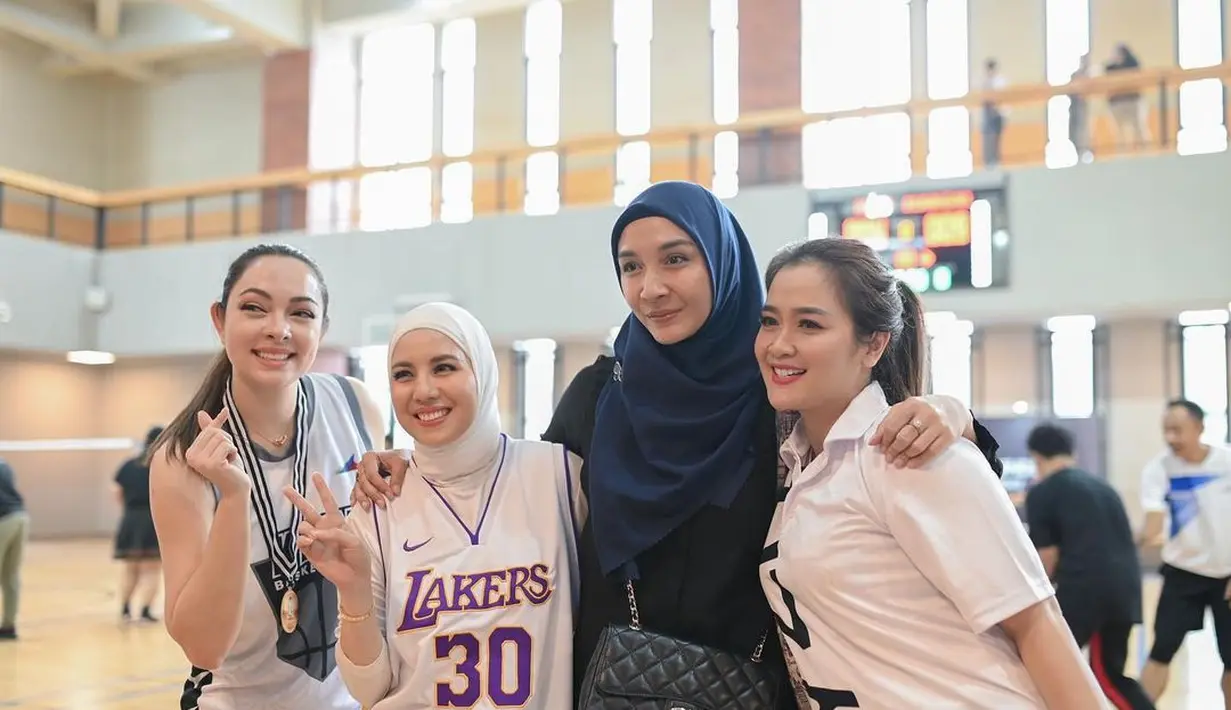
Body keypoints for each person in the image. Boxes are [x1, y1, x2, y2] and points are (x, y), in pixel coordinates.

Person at [351, 181, 1004, 706]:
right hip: (611, 688)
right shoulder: (598, 394)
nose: (650, 287)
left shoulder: (775, 392)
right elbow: (512, 495)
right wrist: (412, 463)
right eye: (630, 267)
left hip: (750, 689)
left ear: (718, 260)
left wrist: (952, 415)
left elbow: (881, 461)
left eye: (675, 259)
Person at [756, 237, 1104, 708]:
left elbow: (1037, 625)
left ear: (874, 345)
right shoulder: (803, 467)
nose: (779, 344)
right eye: (770, 321)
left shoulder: (913, 457)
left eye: (809, 324)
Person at [289, 302, 584, 708]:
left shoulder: (559, 476)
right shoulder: (379, 501)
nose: (424, 390)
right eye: (403, 374)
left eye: (444, 367)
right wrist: (353, 589)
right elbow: (368, 688)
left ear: (481, 371)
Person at [148, 243, 385, 710]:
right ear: (220, 320)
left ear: (322, 330)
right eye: (254, 308)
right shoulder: (181, 461)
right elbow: (204, 648)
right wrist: (236, 499)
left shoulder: (355, 405)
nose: (278, 329)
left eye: (301, 313)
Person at [1024, 423, 1155, 709]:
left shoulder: (1043, 491)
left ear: (1036, 457)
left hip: (1087, 593)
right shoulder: (1103, 487)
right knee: (1108, 674)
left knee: (1043, 668)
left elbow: (1047, 558)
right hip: (1127, 588)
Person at [1136, 399, 1231, 708]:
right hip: (1182, 574)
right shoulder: (1158, 469)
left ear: (1200, 428)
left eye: (1178, 430)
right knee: (1161, 651)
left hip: (1227, 576)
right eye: (1166, 430)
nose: (1171, 438)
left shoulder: (1226, 464)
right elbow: (1152, 525)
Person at [114, 425, 166, 623]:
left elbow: (117, 491)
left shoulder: (128, 465)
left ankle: (125, 609)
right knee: (152, 569)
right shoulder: (161, 464)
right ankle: (145, 611)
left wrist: (128, 510)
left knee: (131, 568)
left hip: (130, 519)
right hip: (152, 520)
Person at [0, 455, 27, 641]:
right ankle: (9, 627)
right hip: (20, 517)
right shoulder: (5, 464)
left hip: (3, 520)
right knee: (10, 575)